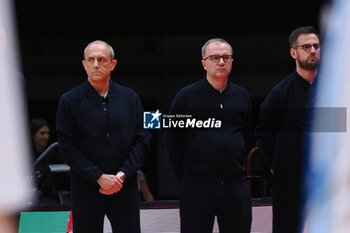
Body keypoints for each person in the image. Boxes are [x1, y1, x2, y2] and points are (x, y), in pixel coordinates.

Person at [56, 40, 152, 233]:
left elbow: (143, 139)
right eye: (90, 60)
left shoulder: (131, 97)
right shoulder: (69, 101)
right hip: (87, 186)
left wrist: (122, 174)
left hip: (124, 185)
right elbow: (66, 147)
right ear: (84, 64)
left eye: (101, 59)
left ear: (113, 64)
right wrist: (98, 176)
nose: (96, 64)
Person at [166, 38, 253, 233]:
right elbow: (173, 141)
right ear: (204, 63)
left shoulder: (242, 96)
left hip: (235, 184)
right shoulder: (185, 97)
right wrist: (186, 176)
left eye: (226, 57)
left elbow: (246, 134)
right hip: (197, 185)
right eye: (215, 57)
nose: (221, 62)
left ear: (232, 61)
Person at [255, 26, 320, 233]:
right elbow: (264, 134)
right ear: (294, 52)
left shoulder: (330, 90)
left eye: (316, 46)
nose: (312, 50)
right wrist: (277, 166)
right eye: (306, 46)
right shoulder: (280, 93)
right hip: (290, 181)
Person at [30, 118, 63, 203]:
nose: (46, 136)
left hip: (50, 196)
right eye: (42, 133)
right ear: (33, 135)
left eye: (47, 133)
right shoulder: (26, 155)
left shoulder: (52, 153)